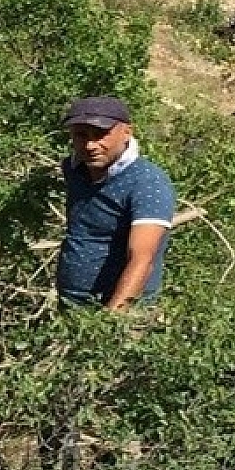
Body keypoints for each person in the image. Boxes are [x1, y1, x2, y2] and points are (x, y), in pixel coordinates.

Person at [57, 96, 176, 311]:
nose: (91, 145)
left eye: (101, 134)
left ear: (127, 132)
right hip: (72, 305)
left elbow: (142, 259)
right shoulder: (74, 170)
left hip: (121, 311)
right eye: (81, 135)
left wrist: (112, 323)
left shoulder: (147, 183)